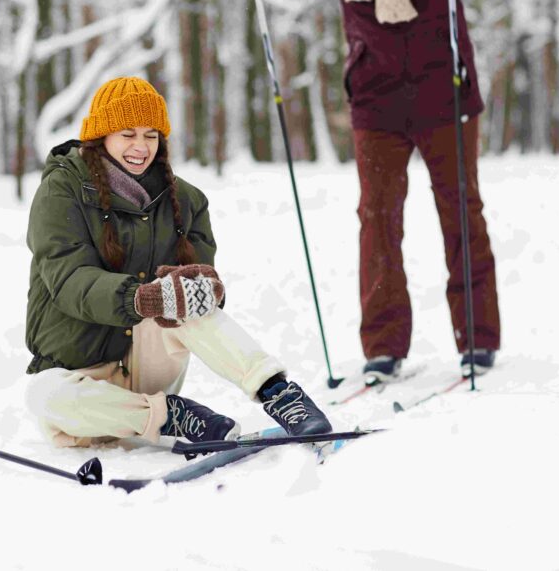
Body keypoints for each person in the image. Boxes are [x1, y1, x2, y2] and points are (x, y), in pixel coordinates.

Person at [228, 0, 501, 381]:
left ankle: (478, 338)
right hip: (377, 96)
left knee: (460, 209)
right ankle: (383, 345)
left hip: (445, 90)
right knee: (376, 221)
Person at [23, 76, 332, 447]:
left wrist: (205, 288)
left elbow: (200, 292)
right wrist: (143, 298)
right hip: (82, 382)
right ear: (101, 135)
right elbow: (69, 279)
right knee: (42, 395)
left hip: (147, 364)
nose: (141, 146)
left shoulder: (185, 201)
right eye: (128, 133)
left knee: (188, 299)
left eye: (151, 135)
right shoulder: (62, 190)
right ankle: (172, 417)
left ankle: (278, 393)